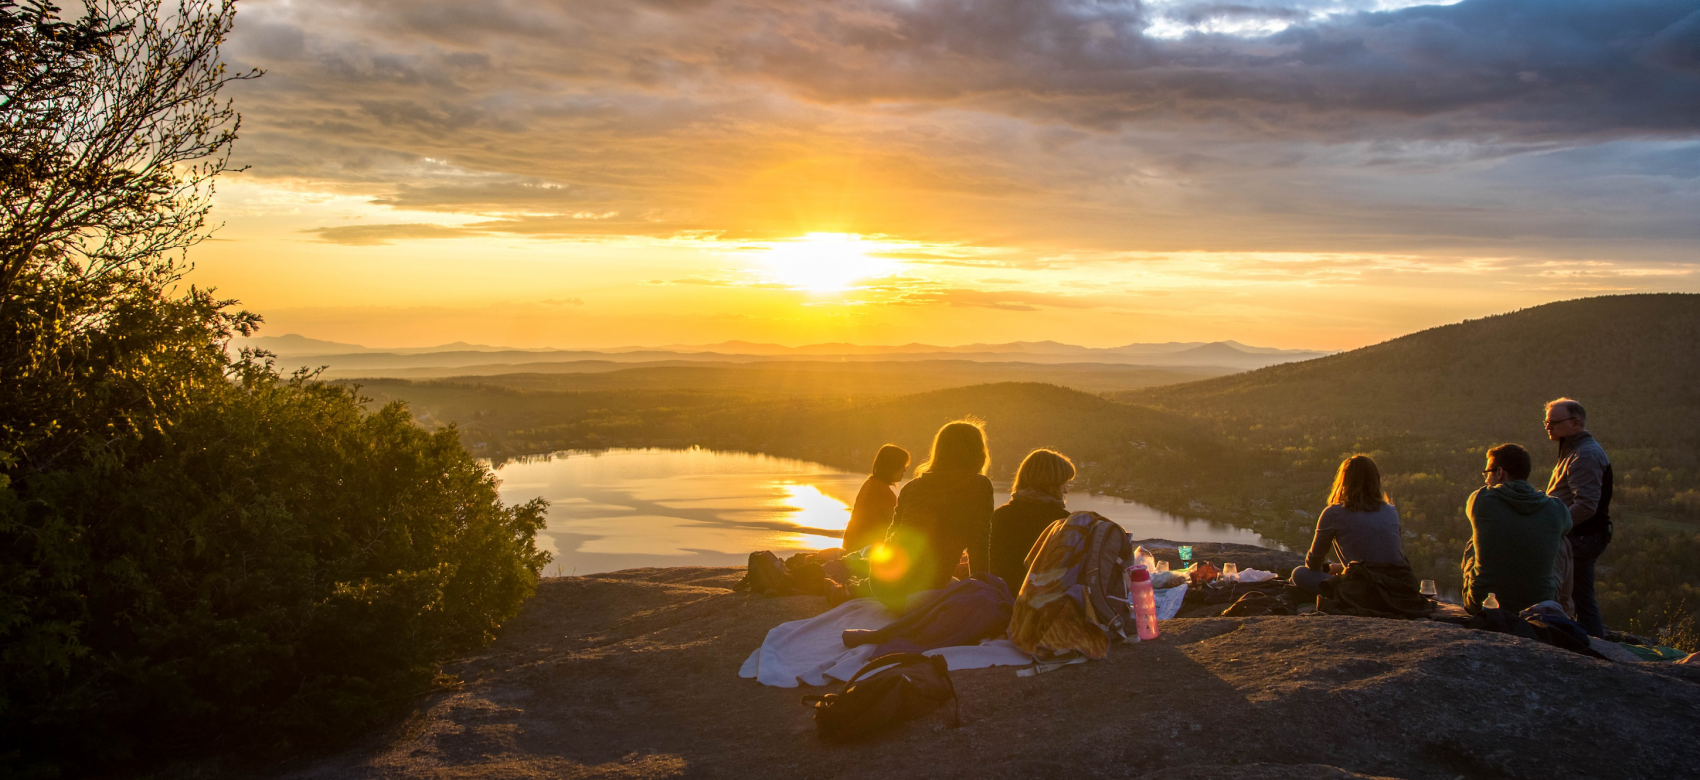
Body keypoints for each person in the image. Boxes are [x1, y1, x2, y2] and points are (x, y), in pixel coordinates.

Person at [870, 420, 994, 610]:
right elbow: (979, 546)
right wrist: (982, 594)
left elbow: (890, 539)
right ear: (977, 452)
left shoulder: (911, 487)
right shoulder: (979, 486)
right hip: (919, 591)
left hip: (882, 586)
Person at [1461, 444, 1572, 614]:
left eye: (1487, 473)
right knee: (1563, 541)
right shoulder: (1556, 507)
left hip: (1482, 604)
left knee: (1474, 538)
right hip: (1539, 606)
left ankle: (1484, 590)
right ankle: (1563, 612)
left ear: (1499, 473)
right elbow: (1568, 527)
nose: (1485, 479)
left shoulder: (1480, 499)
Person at [1544, 397, 1613, 637]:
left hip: (1580, 537)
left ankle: (1568, 641)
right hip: (1582, 535)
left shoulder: (1584, 455)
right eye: (1546, 421)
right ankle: (1593, 644)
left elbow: (1585, 506)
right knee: (1582, 597)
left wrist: (1553, 528)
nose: (1547, 426)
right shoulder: (1574, 450)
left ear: (1575, 423)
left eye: (1553, 422)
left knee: (1553, 590)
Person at [1290, 454, 1406, 596]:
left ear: (1344, 481)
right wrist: (1340, 567)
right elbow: (1383, 557)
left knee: (1299, 573)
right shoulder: (1391, 511)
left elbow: (1313, 563)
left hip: (1362, 592)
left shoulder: (1334, 513)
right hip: (1398, 588)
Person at [989, 449, 1075, 589]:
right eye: (1063, 483)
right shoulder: (1064, 523)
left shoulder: (999, 516)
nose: (1065, 490)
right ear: (1050, 483)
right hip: (1044, 605)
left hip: (1000, 601)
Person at [841, 445, 909, 553]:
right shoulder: (883, 492)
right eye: (902, 466)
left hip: (851, 544)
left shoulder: (870, 483)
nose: (904, 470)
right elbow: (894, 526)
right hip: (865, 550)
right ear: (892, 466)